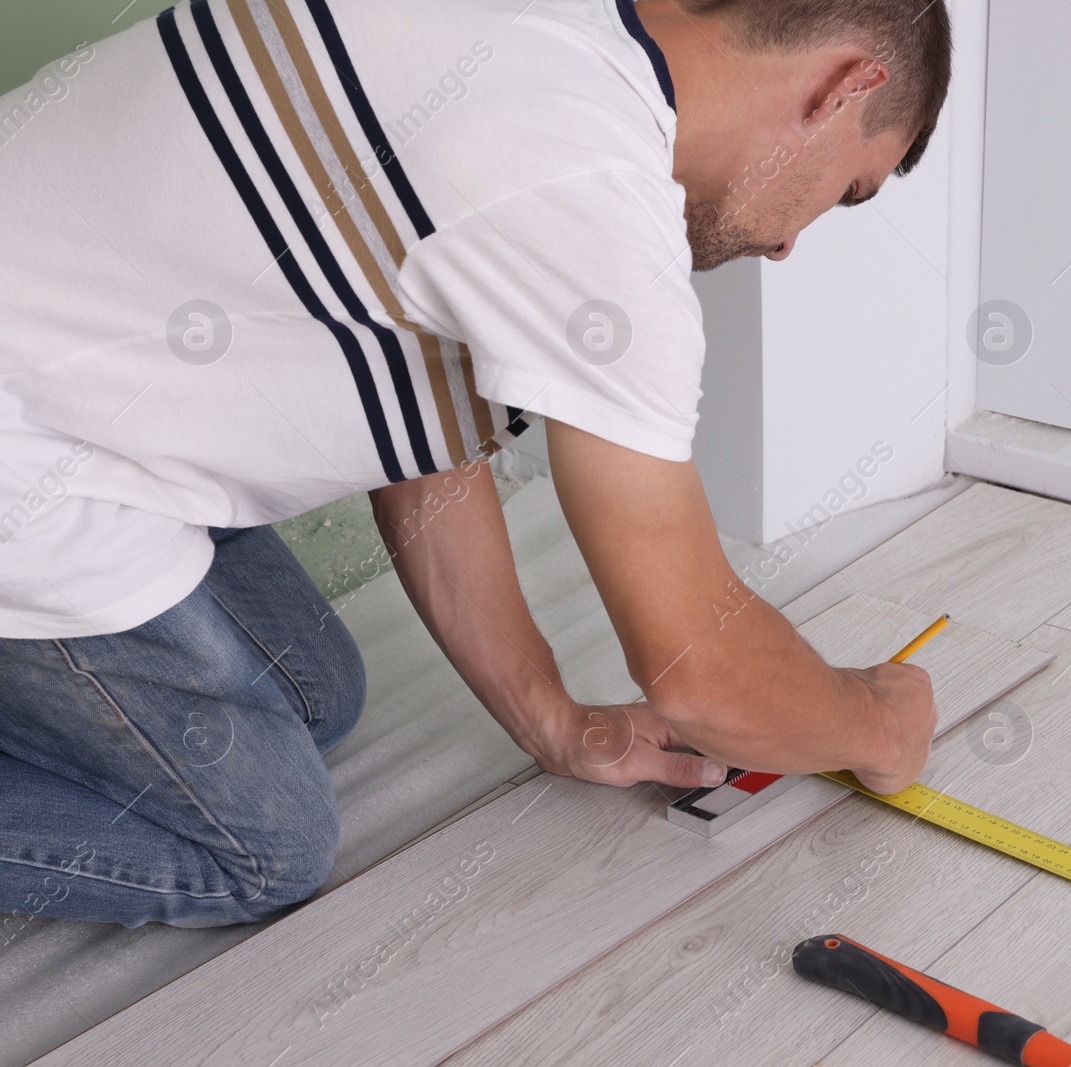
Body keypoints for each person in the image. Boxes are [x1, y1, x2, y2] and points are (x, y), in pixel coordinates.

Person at [0, 0, 951, 929]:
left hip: (66, 372)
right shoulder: (591, 201)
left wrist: (552, 720)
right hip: (29, 454)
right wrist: (874, 723)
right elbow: (704, 671)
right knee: (263, 848)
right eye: (847, 190)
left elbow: (414, 431)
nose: (789, 245)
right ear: (843, 86)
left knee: (314, 694)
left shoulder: (529, 37)